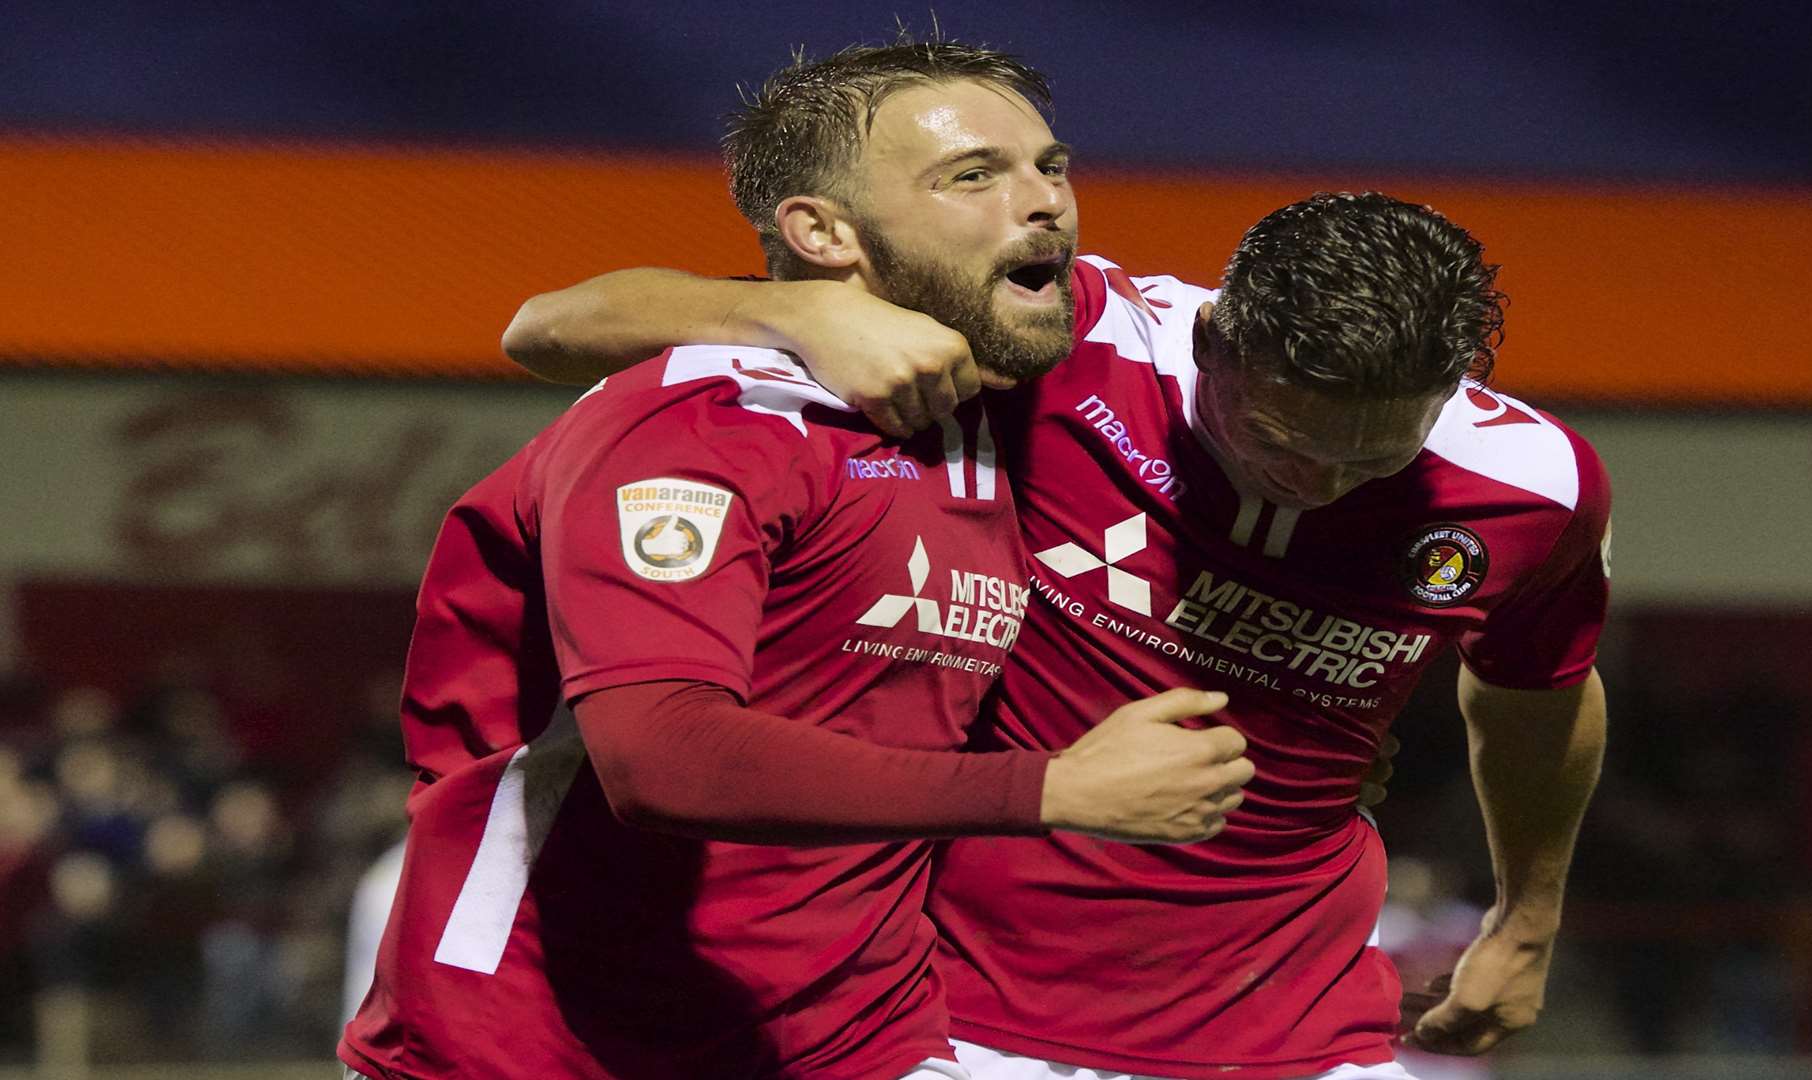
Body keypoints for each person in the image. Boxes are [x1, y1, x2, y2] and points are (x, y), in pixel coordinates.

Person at [509, 128, 1611, 1080]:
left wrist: (1528, 917)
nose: (1319, 484)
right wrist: (805, 315)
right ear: (1212, 339)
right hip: (958, 1013)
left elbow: (1538, 691)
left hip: (1304, 1019)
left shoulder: (1533, 488)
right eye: (1280, 441)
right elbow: (555, 326)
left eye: (1373, 459)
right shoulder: (1067, 342)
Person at [338, 42, 1257, 1080]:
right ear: (822, 233)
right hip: (544, 1040)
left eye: (1050, 164)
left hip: (861, 1036)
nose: (1045, 201)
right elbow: (662, 755)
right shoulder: (703, 420)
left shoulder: (1019, 401)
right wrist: (1053, 789)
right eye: (974, 174)